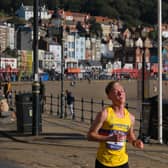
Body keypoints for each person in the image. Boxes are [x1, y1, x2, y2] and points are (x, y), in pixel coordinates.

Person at [87, 81, 144, 168]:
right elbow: (90, 135)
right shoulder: (105, 114)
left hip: (123, 162)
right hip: (104, 162)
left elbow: (129, 135)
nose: (120, 93)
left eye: (122, 90)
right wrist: (109, 138)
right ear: (109, 96)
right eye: (116, 91)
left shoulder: (131, 117)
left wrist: (135, 142)